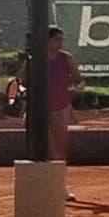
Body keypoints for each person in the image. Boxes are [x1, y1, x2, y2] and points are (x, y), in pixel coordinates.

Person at [5, 25, 79, 155]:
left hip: (60, 107)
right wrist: (19, 92)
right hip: (37, 107)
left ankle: (57, 168)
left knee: (59, 144)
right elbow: (21, 81)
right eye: (57, 39)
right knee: (34, 141)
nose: (60, 43)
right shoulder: (33, 61)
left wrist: (76, 89)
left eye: (62, 40)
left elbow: (78, 80)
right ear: (47, 41)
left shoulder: (67, 59)